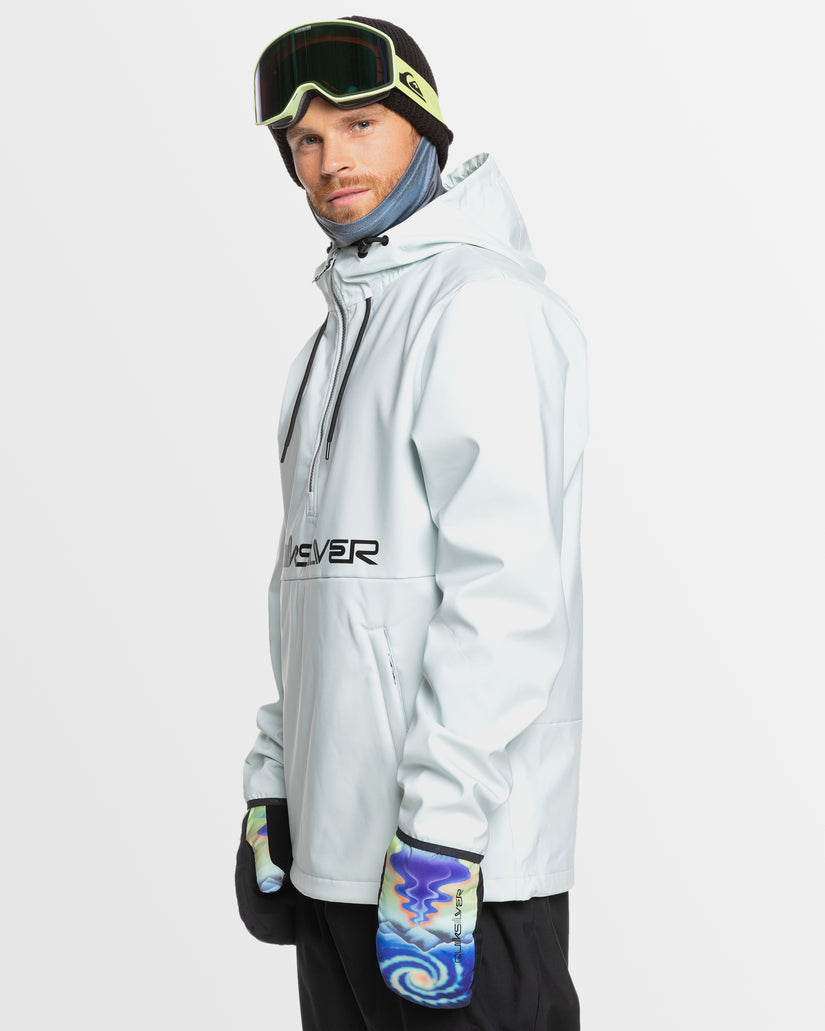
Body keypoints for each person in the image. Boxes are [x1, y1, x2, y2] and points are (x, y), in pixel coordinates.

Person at [235, 16, 588, 1031]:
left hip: (457, 874)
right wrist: (276, 781)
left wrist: (439, 836)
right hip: (338, 863)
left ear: (423, 127)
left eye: (359, 124)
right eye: (305, 140)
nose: (329, 161)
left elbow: (507, 599)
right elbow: (313, 591)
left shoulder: (479, 307)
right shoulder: (334, 336)